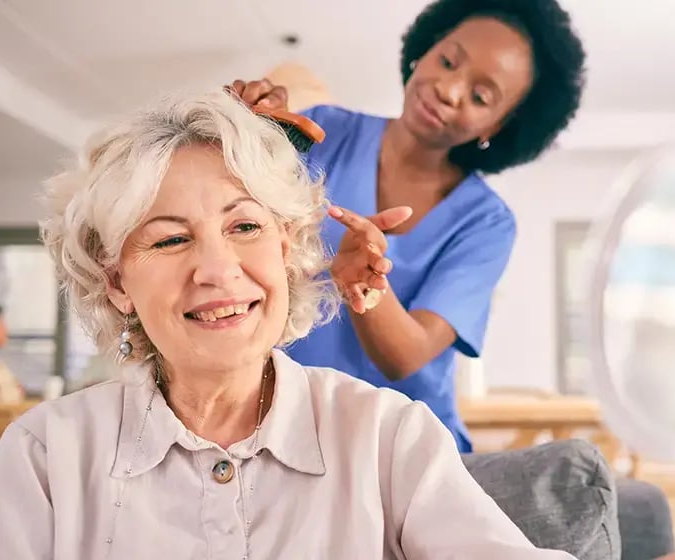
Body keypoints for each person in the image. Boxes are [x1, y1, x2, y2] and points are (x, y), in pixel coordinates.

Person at [0, 91, 675, 560]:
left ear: (293, 250)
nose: (216, 268)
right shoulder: (46, 454)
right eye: (171, 237)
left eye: (246, 226)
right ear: (116, 280)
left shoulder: (385, 436)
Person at [227, 0, 586, 452]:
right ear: (427, 48)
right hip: (284, 426)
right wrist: (250, 130)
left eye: (480, 97)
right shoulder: (324, 131)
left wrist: (365, 285)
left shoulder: (486, 222)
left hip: (404, 449)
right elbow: (232, 230)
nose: (449, 89)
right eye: (448, 61)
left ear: (500, 125)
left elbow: (406, 358)